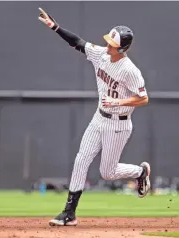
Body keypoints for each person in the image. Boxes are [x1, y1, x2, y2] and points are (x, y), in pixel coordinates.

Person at [38, 8, 151, 226]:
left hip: (118, 124)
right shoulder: (101, 54)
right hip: (99, 118)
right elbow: (78, 43)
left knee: (107, 173)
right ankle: (69, 213)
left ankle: (140, 172)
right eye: (108, 41)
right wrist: (55, 27)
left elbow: (143, 98)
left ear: (123, 48)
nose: (108, 45)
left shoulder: (130, 71)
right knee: (81, 159)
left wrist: (119, 102)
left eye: (113, 44)